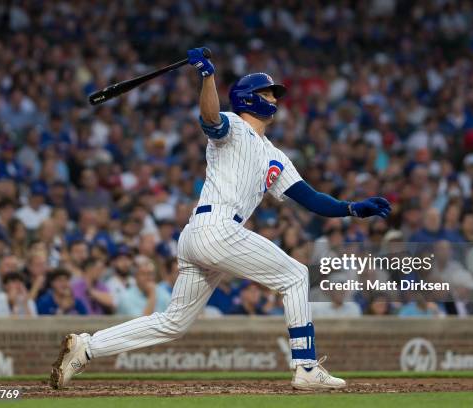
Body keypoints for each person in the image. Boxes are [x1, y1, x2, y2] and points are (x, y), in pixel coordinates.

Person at [50, 48, 391, 391]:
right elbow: (210, 118)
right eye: (267, 92)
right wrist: (207, 76)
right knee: (296, 275)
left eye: (274, 93)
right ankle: (304, 366)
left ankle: (86, 347)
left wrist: (351, 208)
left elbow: (312, 199)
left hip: (205, 235)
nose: (274, 98)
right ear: (248, 98)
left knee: (173, 323)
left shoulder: (275, 155)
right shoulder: (235, 127)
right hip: (217, 228)